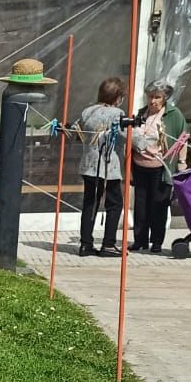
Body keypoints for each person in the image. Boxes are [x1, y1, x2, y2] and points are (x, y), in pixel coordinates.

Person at [130, 82, 188, 256]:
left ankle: (156, 242)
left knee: (159, 205)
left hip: (161, 168)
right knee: (140, 205)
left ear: (165, 98)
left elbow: (183, 138)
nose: (152, 101)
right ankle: (140, 240)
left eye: (157, 97)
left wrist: (182, 162)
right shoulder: (141, 113)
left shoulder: (173, 114)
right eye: (150, 97)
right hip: (140, 166)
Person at [74, 76, 127, 257]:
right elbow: (126, 135)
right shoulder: (117, 114)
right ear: (117, 97)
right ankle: (109, 245)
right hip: (108, 167)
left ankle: (85, 244)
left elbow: (76, 131)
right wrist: (145, 144)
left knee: (90, 203)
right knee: (114, 204)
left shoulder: (87, 111)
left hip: (88, 165)